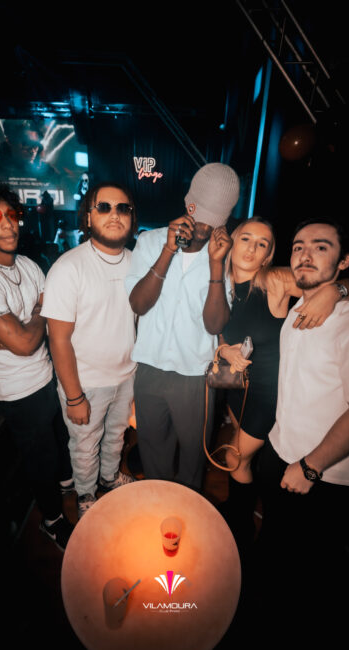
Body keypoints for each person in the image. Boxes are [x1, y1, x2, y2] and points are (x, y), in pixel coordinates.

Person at [255, 218, 349, 579]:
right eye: (298, 247)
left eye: (320, 247)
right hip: (281, 452)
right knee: (271, 552)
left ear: (344, 260)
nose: (305, 255)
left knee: (310, 570)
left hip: (324, 476)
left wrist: (310, 467)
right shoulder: (297, 309)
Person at [204, 217, 349, 542]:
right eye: (246, 238)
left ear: (268, 255)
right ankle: (238, 512)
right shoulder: (220, 283)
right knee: (244, 458)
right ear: (231, 242)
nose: (252, 248)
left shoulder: (274, 280)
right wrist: (224, 350)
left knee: (235, 458)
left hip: (269, 392)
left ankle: (240, 528)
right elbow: (219, 331)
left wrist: (335, 292)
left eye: (262, 244)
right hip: (238, 388)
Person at [0, 182, 74, 551]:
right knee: (41, 459)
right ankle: (52, 521)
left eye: (11, 214)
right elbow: (24, 343)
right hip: (17, 390)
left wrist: (29, 325)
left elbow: (49, 318)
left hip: (47, 374)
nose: (7, 224)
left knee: (62, 443)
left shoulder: (28, 265)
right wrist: (36, 317)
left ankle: (68, 487)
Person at [126, 162, 240, 491]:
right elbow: (138, 304)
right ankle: (159, 505)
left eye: (215, 220)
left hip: (196, 375)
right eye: (200, 214)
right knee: (152, 453)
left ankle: (188, 508)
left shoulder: (224, 254)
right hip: (149, 368)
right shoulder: (150, 241)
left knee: (193, 458)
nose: (204, 227)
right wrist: (168, 250)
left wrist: (216, 264)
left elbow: (214, 324)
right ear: (189, 204)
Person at [41, 182, 137, 518]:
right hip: (85, 383)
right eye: (104, 207)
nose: (114, 214)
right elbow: (58, 339)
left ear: (132, 217)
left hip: (127, 375)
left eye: (123, 208)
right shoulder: (69, 267)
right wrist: (73, 396)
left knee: (116, 436)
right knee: (84, 447)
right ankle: (85, 495)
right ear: (87, 217)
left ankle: (109, 478)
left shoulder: (138, 264)